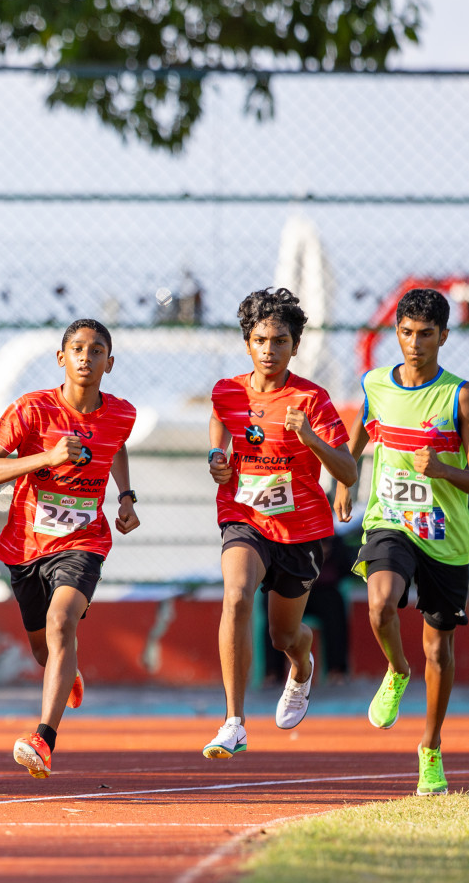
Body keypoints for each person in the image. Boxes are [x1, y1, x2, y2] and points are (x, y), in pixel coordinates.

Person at [334, 287, 469, 796]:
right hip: (392, 521)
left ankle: (430, 749)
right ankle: (396, 671)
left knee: (438, 648)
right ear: (395, 333)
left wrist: (443, 469)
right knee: (380, 603)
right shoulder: (375, 384)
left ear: (444, 336)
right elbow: (358, 437)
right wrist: (345, 481)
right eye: (405, 332)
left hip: (445, 537)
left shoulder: (459, 396)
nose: (414, 343)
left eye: (426, 334)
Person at [0, 319, 139, 779]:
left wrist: (126, 497)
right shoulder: (32, 410)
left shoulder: (122, 413)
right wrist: (48, 458)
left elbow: (117, 444)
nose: (86, 357)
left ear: (110, 361)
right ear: (61, 358)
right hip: (26, 546)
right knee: (45, 649)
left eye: (97, 350)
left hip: (85, 541)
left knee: (61, 621)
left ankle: (43, 739)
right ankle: (65, 672)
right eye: (77, 349)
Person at [202, 288, 356, 759]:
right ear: (248, 342)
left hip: (301, 531)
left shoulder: (312, 399)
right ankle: (234, 722)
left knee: (283, 636)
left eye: (281, 341)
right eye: (261, 339)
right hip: (243, 518)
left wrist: (309, 437)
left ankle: (302, 662)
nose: (270, 350)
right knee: (236, 595)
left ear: (295, 345)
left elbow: (349, 472)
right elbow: (219, 422)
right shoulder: (227, 391)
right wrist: (216, 456)